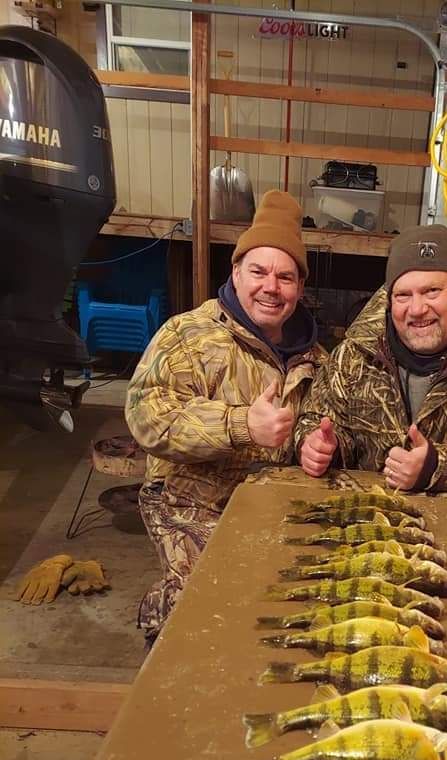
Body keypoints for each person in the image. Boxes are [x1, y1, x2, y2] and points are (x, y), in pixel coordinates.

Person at [126, 191, 325, 646]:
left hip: (272, 501)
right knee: (214, 596)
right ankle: (164, 633)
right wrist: (241, 426)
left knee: (302, 590)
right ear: (235, 273)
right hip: (186, 501)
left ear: (299, 287)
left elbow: (316, 425)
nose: (270, 287)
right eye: (258, 271)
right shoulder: (188, 334)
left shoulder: (314, 357)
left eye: (286, 276)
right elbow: (147, 417)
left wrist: (314, 444)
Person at [295, 224, 447, 493]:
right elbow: (315, 419)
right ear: (389, 300)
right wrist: (319, 446)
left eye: (432, 291)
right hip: (368, 519)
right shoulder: (354, 354)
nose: (417, 309)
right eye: (403, 295)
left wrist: (438, 468)